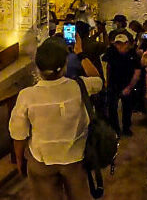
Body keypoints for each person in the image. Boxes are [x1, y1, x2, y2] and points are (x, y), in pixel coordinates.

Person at [9, 36, 102, 200]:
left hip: (42, 159)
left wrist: (19, 160)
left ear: (38, 67)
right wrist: (80, 54)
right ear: (64, 65)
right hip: (75, 158)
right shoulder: (79, 86)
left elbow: (19, 135)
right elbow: (99, 80)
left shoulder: (27, 96)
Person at [102, 33, 141, 136]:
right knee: (112, 108)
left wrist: (130, 87)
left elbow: (137, 72)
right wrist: (106, 82)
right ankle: (115, 129)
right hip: (113, 85)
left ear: (127, 43)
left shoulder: (133, 55)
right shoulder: (111, 53)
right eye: (117, 43)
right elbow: (106, 66)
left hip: (127, 84)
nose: (119, 46)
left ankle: (126, 128)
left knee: (127, 108)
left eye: (122, 43)